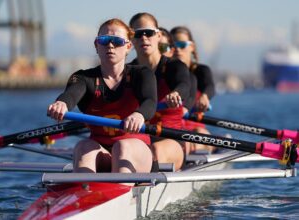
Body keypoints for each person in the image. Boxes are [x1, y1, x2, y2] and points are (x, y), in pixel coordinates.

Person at [48, 18, 158, 174]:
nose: (110, 46)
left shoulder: (141, 74)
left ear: (128, 47)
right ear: (96, 45)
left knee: (122, 147)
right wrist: (62, 104)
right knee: (83, 146)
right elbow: (71, 95)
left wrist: (139, 115)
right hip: (101, 151)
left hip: (137, 152)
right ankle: (85, 193)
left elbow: (150, 102)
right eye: (104, 40)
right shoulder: (83, 78)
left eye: (117, 41)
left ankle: (121, 191)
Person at [128, 13, 192, 170]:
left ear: (158, 35)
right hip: (138, 139)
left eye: (148, 32)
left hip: (171, 139)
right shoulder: (127, 72)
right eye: (137, 33)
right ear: (131, 39)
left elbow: (184, 84)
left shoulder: (174, 67)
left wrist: (177, 94)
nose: (144, 38)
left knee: (155, 151)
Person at [170, 26, 216, 153]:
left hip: (195, 128)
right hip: (172, 129)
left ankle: (210, 145)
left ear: (192, 47)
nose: (177, 49)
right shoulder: (165, 73)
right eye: (173, 45)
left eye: (182, 45)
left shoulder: (201, 71)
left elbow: (209, 86)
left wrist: (205, 96)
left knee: (199, 133)